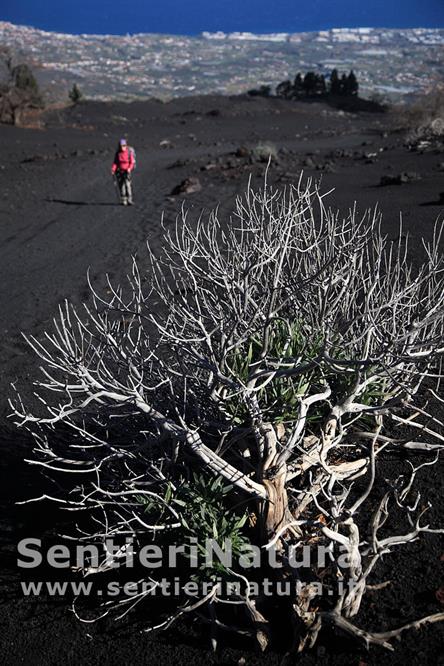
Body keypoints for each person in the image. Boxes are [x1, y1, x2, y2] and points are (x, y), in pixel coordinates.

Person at [111, 138, 135, 205]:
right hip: (119, 171)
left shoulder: (129, 152)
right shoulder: (118, 153)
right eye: (121, 145)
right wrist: (113, 169)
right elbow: (115, 162)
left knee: (128, 185)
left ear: (126, 145)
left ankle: (129, 199)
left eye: (124, 145)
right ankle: (124, 200)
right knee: (122, 186)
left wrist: (129, 168)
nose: (123, 147)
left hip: (127, 172)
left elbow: (132, 162)